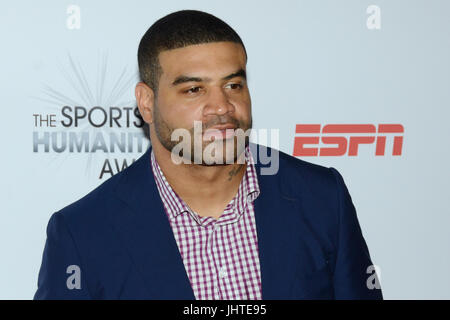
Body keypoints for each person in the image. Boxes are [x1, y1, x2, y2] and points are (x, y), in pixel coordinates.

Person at [34, 9, 382, 300]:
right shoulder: (82, 233)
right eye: (194, 89)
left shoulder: (321, 197)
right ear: (147, 102)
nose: (221, 107)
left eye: (233, 85)